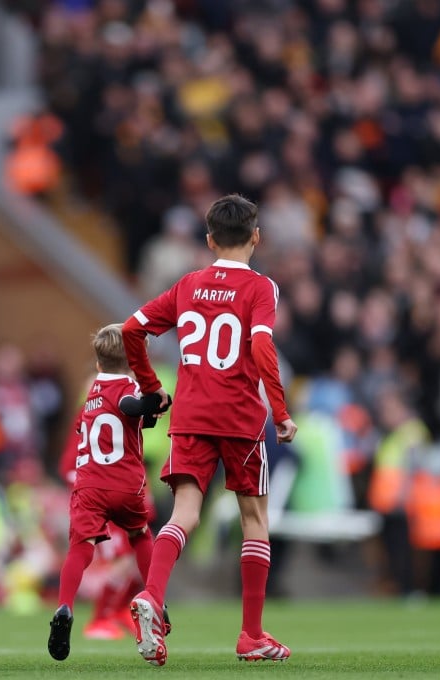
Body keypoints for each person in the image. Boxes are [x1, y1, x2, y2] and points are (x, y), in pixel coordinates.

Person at [121, 194, 297, 666]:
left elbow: (131, 330)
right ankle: (251, 635)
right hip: (239, 418)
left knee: (183, 516)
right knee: (255, 521)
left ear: (209, 239)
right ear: (256, 237)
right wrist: (279, 412)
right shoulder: (262, 288)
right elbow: (261, 346)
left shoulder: (188, 285)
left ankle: (153, 597)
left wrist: (153, 387)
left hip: (192, 417)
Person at [47, 324, 168, 661]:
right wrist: (153, 403)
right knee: (141, 537)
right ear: (132, 360)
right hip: (124, 483)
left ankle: (65, 607)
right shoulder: (128, 387)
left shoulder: (91, 396)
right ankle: (154, 599)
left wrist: (148, 413)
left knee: (79, 549)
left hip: (90, 487)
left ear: (97, 364)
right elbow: (130, 407)